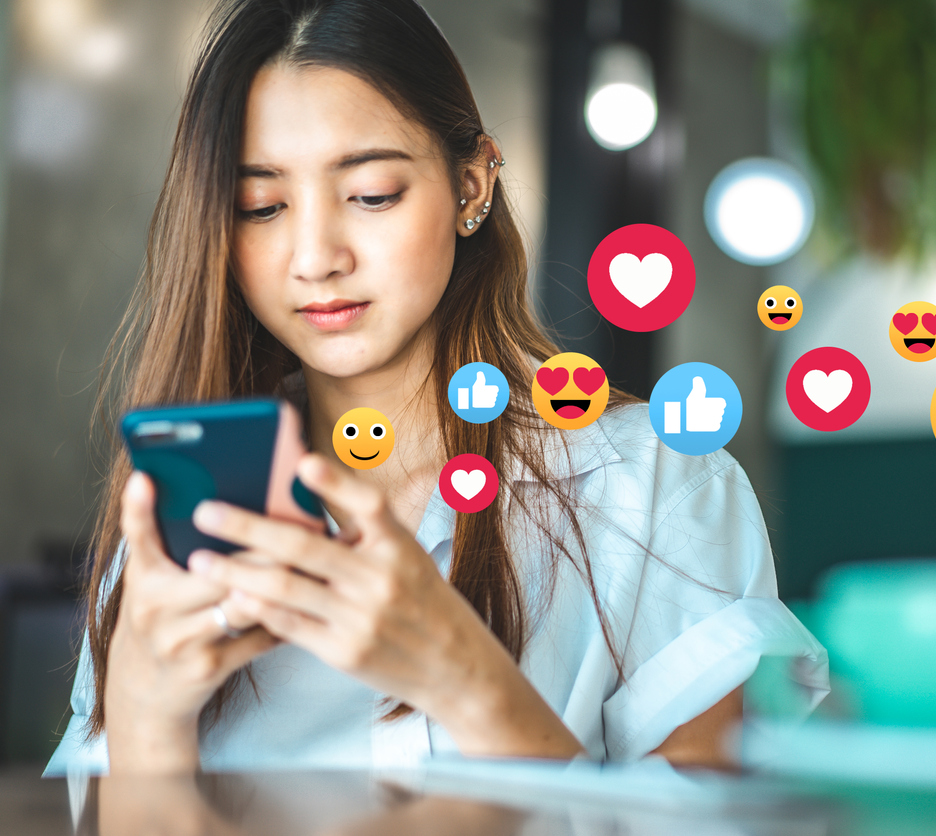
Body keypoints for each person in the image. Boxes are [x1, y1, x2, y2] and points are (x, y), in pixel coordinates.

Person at [44, 0, 827, 778]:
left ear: (471, 186)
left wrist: (466, 678)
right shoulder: (184, 528)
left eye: (373, 193)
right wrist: (143, 718)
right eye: (262, 206)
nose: (315, 258)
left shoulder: (650, 485)